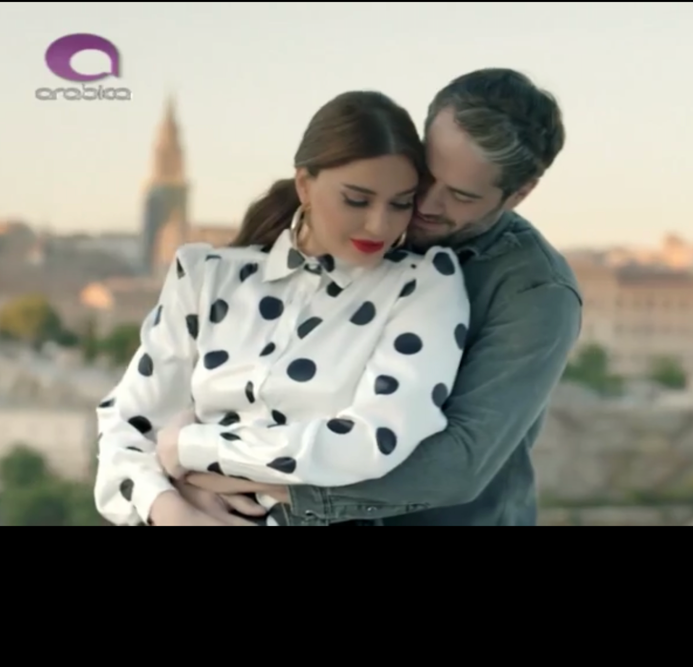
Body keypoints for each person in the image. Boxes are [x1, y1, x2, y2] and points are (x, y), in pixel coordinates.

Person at [180, 68, 582, 526]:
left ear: (519, 194)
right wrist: (187, 473)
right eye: (426, 174)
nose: (425, 204)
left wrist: (256, 483)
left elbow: (460, 462)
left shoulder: (537, 292)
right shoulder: (359, 216)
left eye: (460, 195)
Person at [94, 91, 470, 526]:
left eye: (400, 203)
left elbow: (375, 441)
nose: (379, 225)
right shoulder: (203, 275)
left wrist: (189, 447)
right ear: (304, 185)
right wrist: (175, 512)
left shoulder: (423, 284)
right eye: (357, 200)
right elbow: (126, 429)